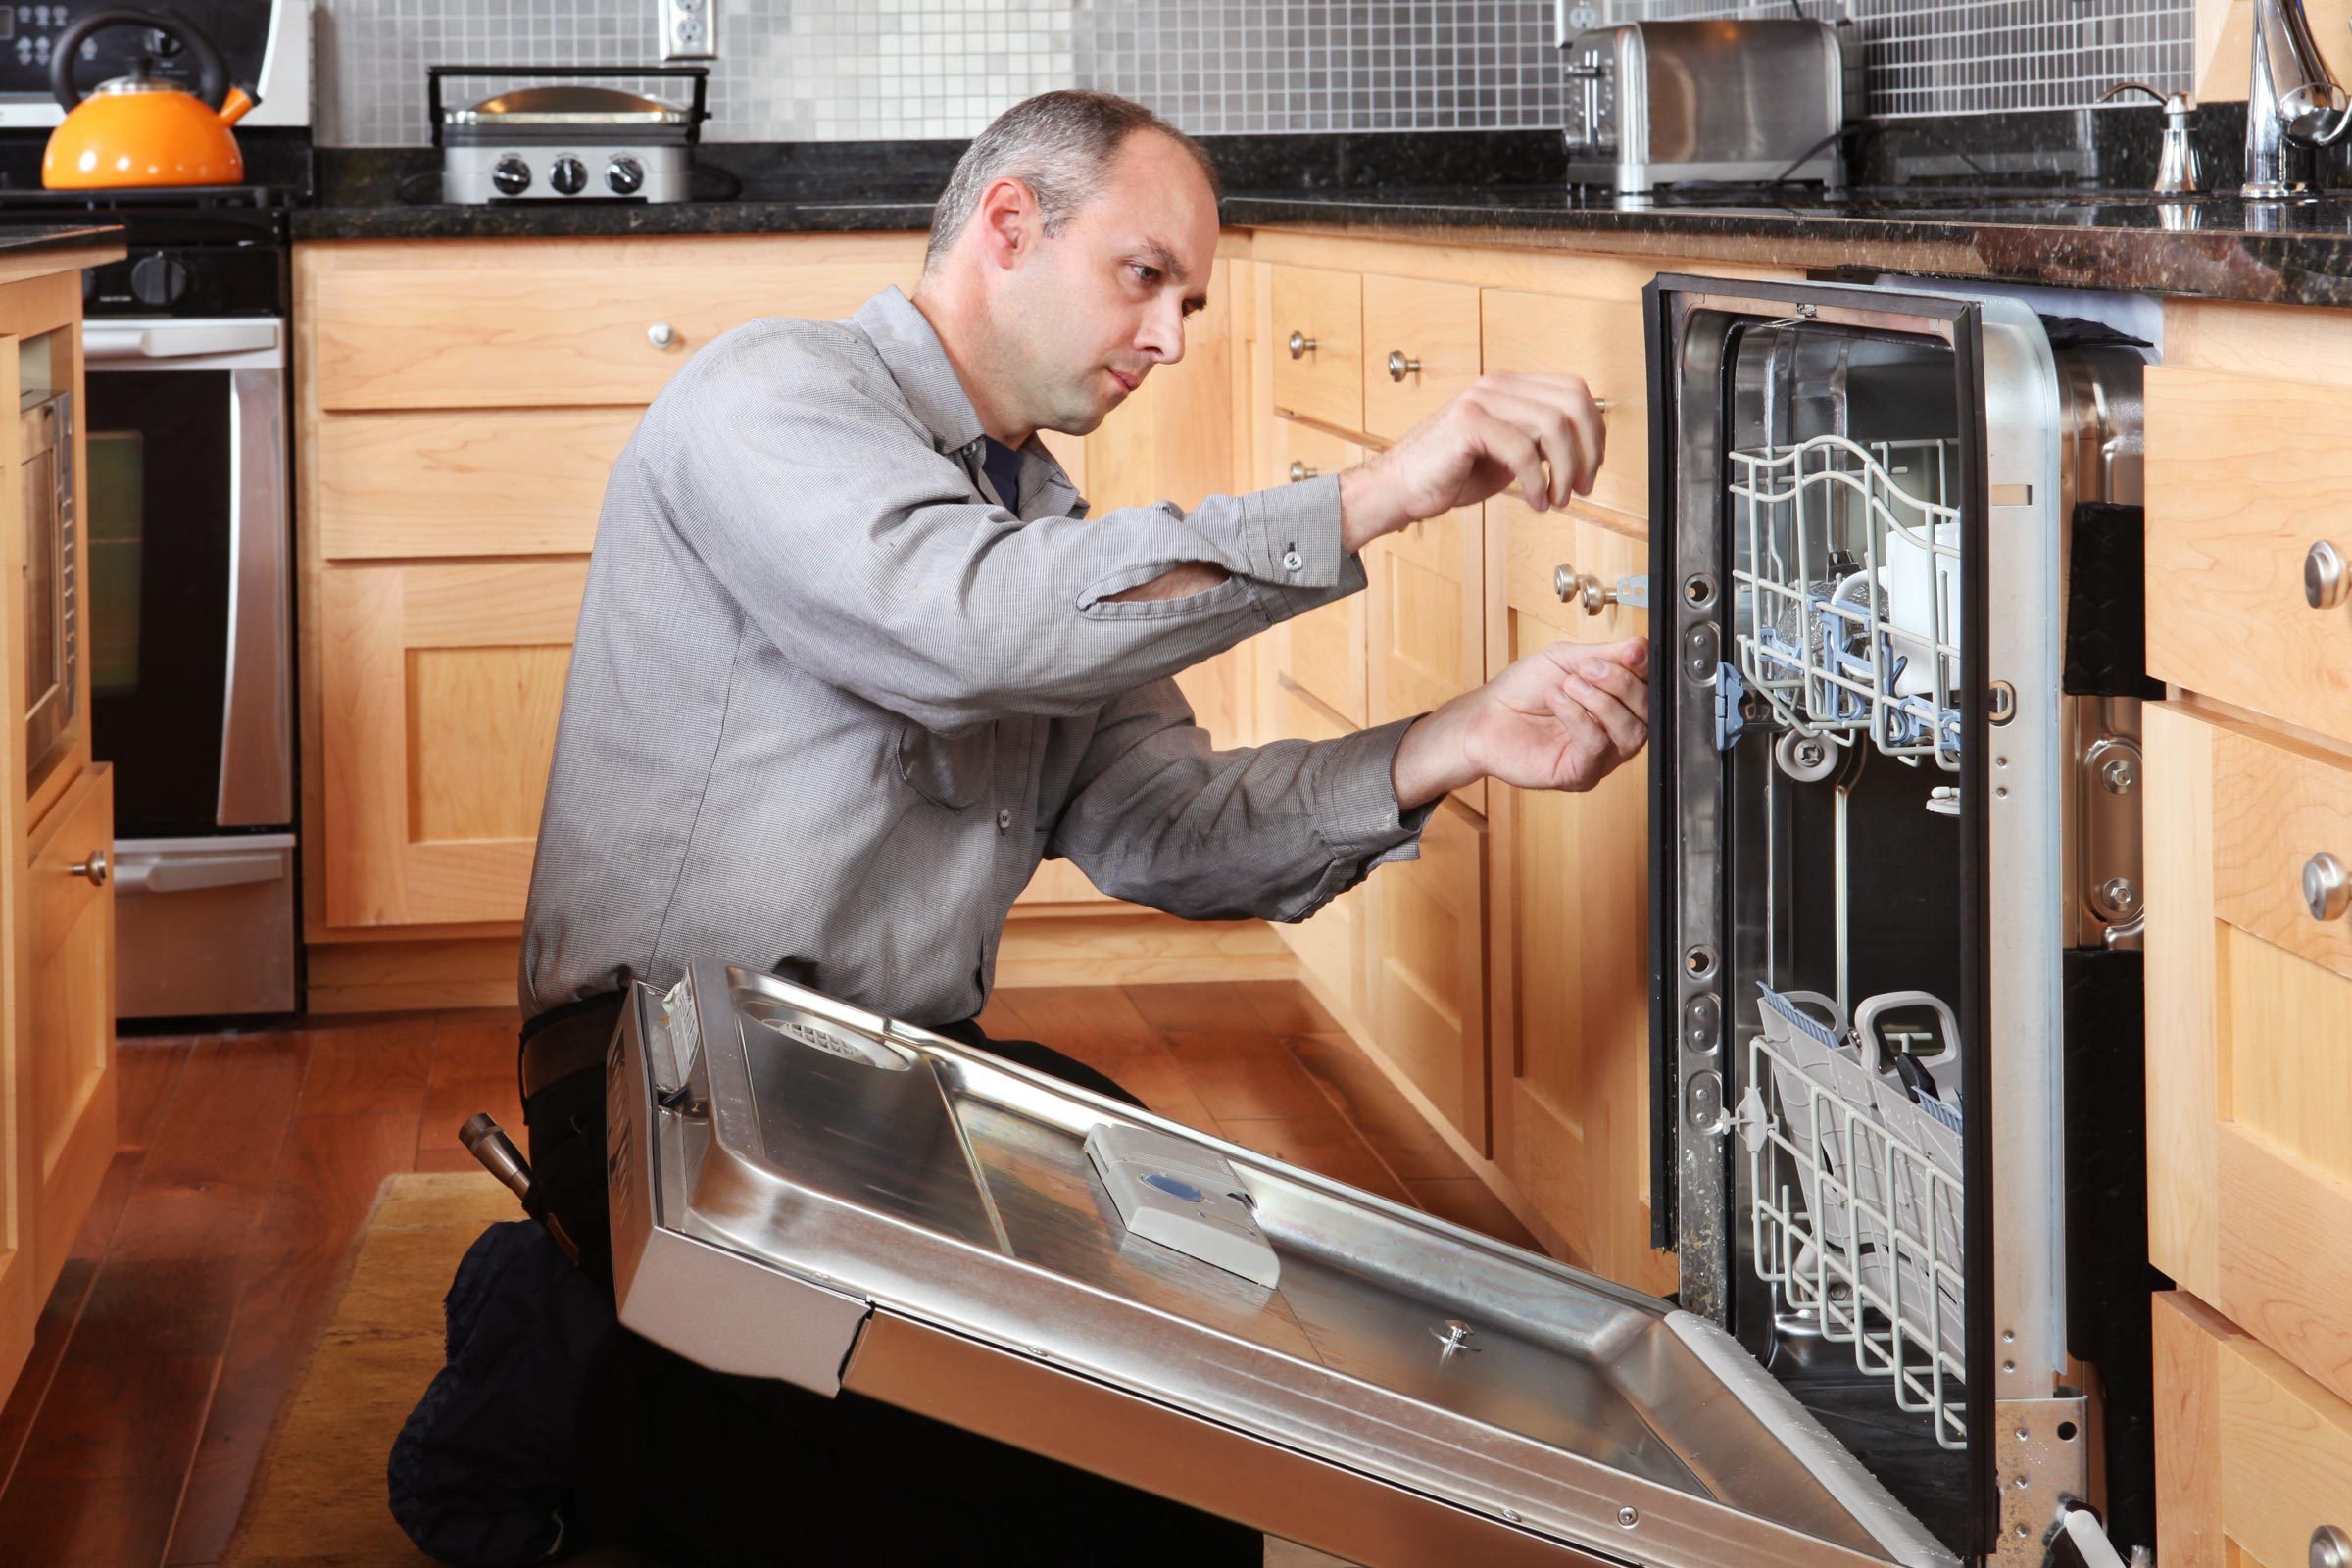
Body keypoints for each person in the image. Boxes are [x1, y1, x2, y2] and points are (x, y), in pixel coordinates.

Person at [509, 89, 1646, 1565]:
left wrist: (1450, 742)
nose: (1172, 335)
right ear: (1006, 225)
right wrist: (1379, 495)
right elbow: (965, 626)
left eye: (1191, 299)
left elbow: (1166, 827)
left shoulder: (1047, 535)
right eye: (1144, 275)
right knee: (1075, 1500)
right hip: (664, 1100)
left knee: (1198, 1377)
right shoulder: (772, 396)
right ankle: (562, 1374)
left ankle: (650, 1388)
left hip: (874, 1084)